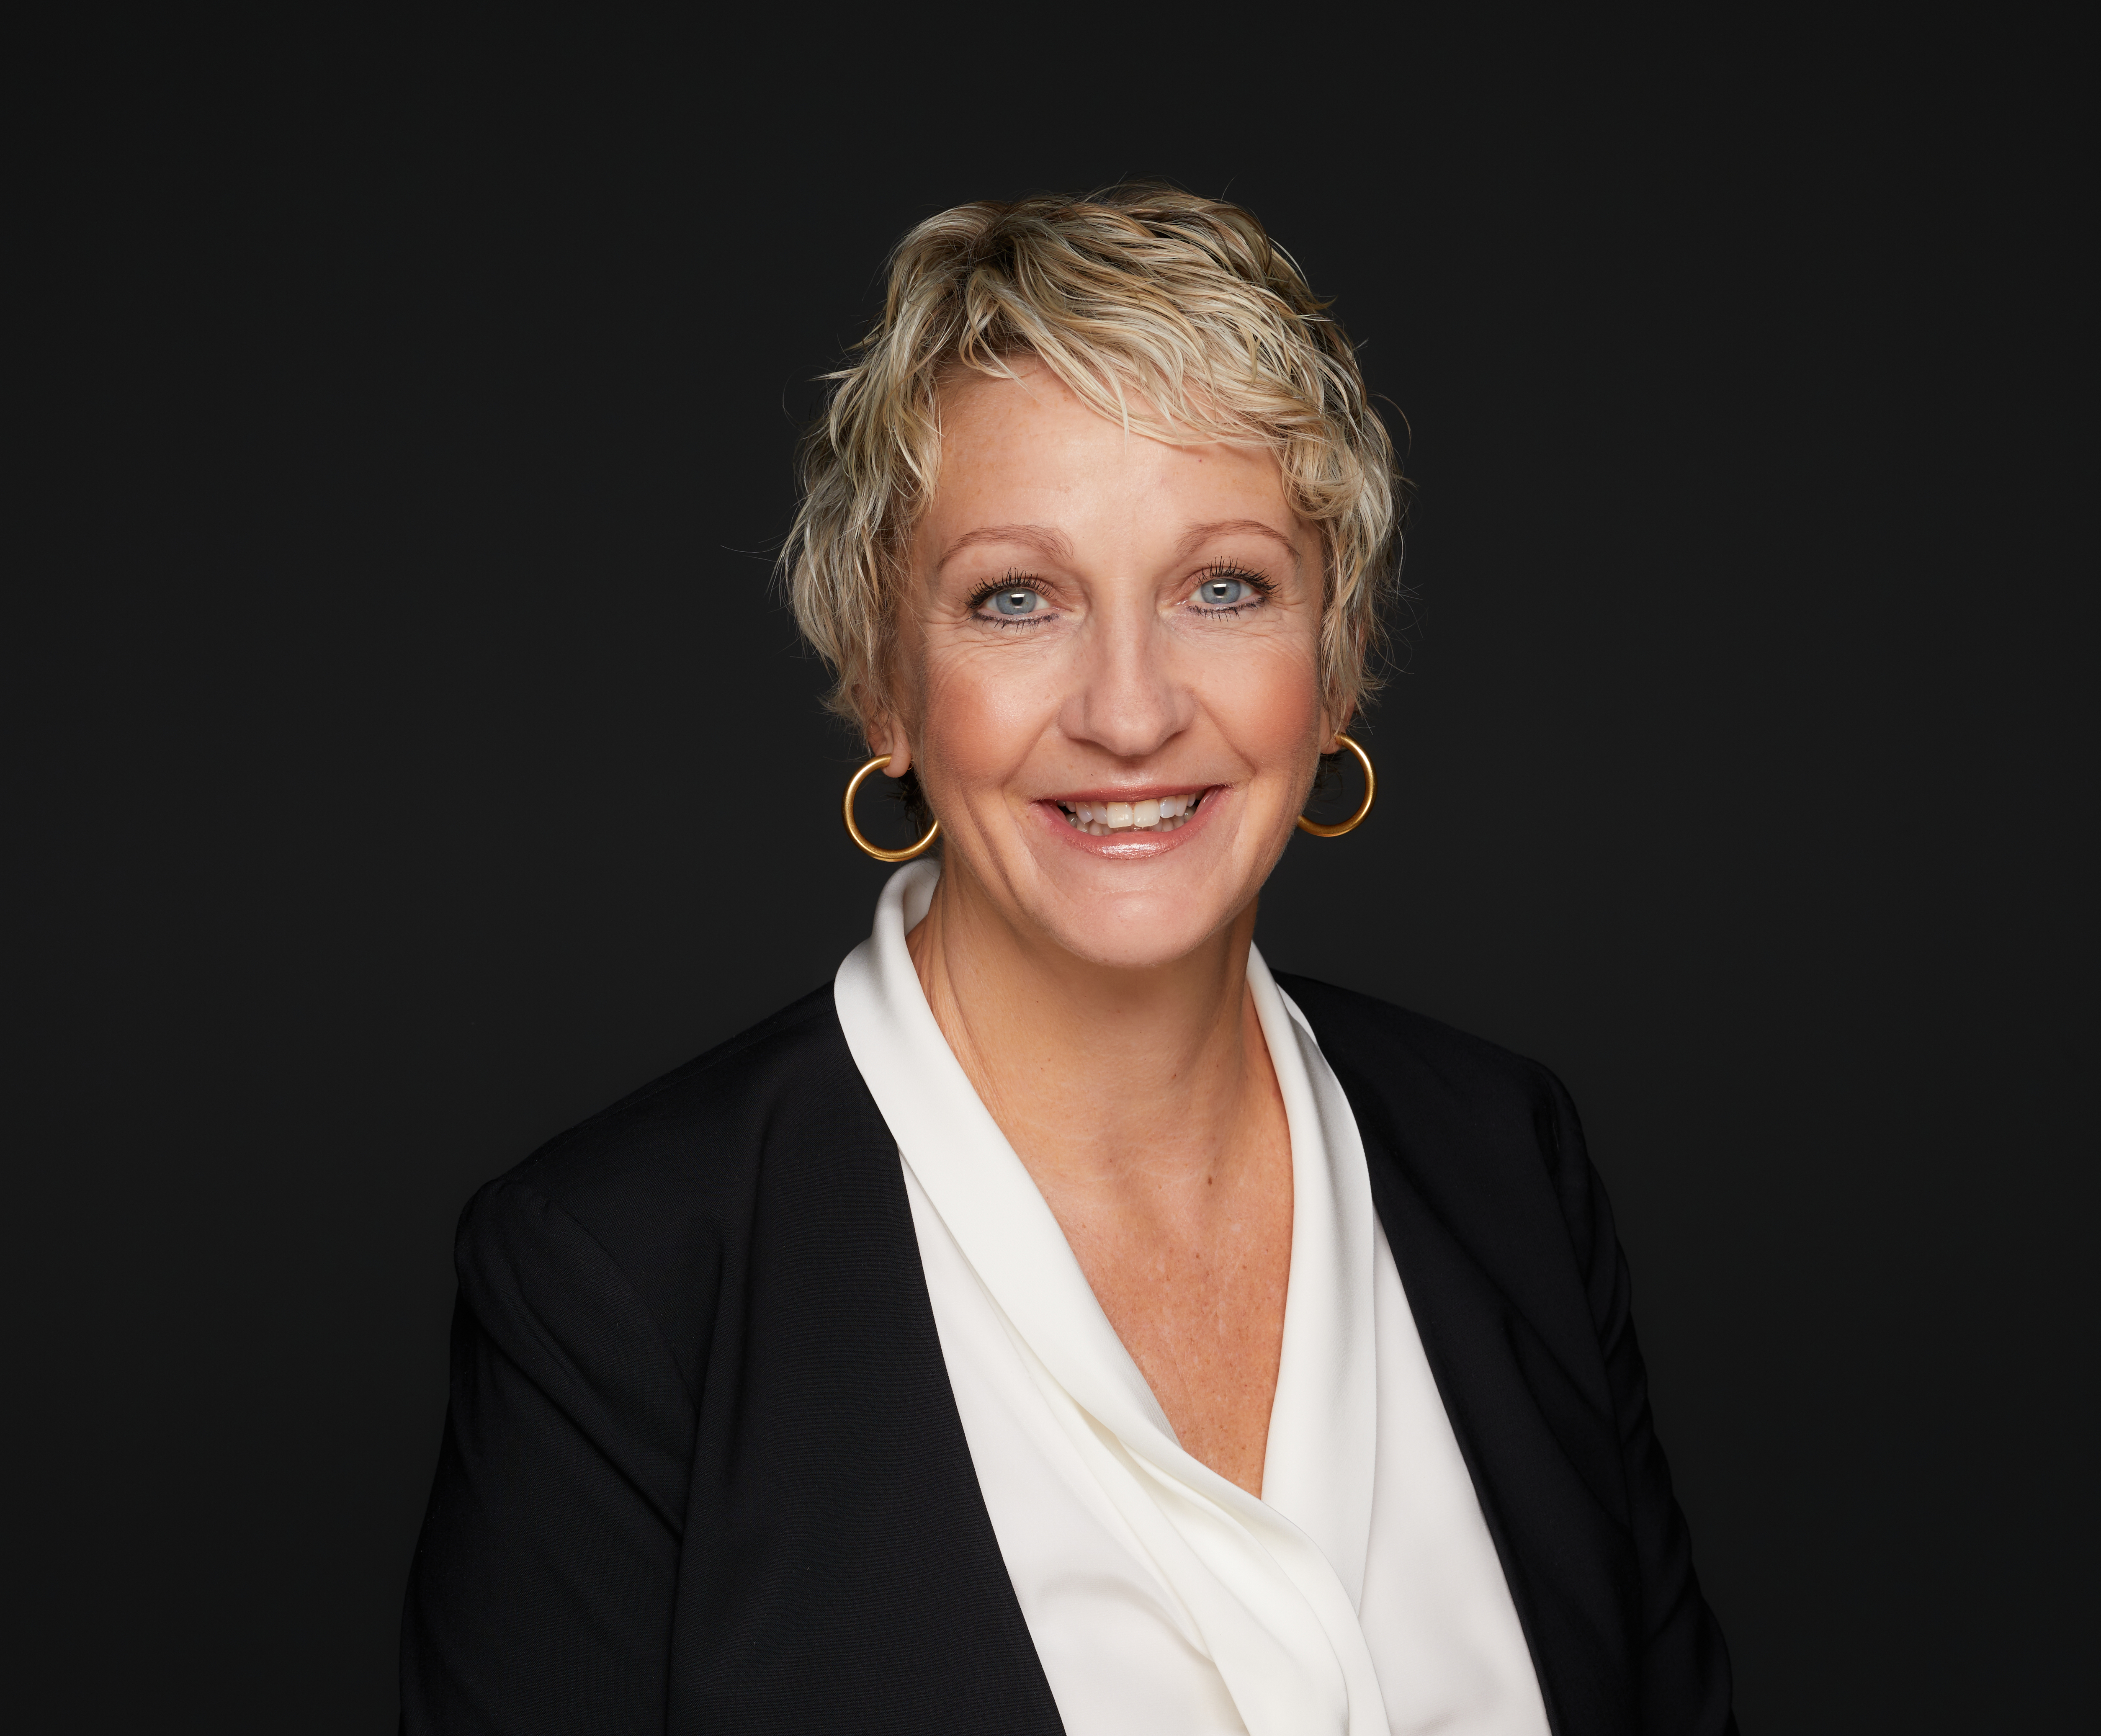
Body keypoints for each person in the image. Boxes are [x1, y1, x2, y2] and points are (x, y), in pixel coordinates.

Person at [400, 184, 1737, 1736]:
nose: (1126, 708)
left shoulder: (1503, 1156)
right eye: (1014, 599)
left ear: (1339, 660)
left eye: (1221, 586)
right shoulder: (616, 1278)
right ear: (883, 684)